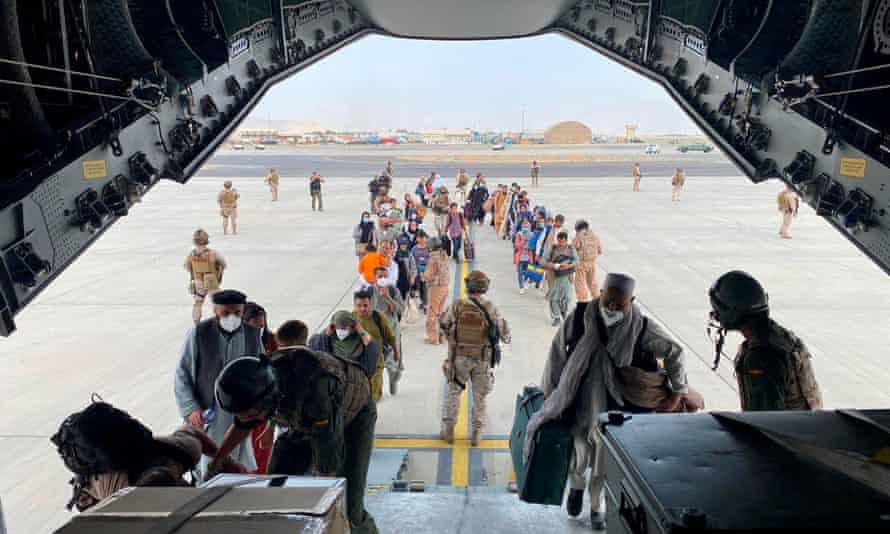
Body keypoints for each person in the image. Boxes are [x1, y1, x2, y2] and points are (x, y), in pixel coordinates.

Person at [526, 273, 688, 529]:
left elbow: (674, 352)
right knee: (578, 451)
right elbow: (557, 351)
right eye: (608, 300)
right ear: (600, 293)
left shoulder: (642, 328)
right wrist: (552, 391)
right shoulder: (580, 316)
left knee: (603, 458)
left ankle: (595, 506)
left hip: (616, 404)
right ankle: (576, 489)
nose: (612, 308)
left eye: (619, 304)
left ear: (632, 301)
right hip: (577, 397)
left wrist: (678, 391)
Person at [211, 330, 379, 533]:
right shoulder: (259, 380)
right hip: (305, 418)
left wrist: (325, 521)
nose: (245, 419)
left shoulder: (315, 393)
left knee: (348, 506)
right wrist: (217, 461)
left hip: (354, 415)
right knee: (275, 487)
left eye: (250, 414)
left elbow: (328, 468)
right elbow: (242, 424)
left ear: (267, 403)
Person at [174, 289, 261, 480]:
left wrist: (258, 404)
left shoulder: (253, 335)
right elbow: (182, 374)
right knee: (206, 467)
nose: (232, 318)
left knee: (237, 467)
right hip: (208, 414)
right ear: (215, 310)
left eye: (237, 313)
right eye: (226, 313)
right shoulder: (198, 334)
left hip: (240, 415)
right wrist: (191, 409)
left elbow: (261, 374)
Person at [709, 270, 822, 411]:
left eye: (716, 311)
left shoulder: (760, 357)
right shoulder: (781, 336)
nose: (714, 316)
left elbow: (764, 418)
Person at [439, 271, 511, 446]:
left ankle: (449, 431)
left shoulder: (458, 305)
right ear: (485, 287)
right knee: (480, 396)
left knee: (453, 392)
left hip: (460, 357)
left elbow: (444, 326)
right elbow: (505, 334)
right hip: (482, 359)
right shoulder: (491, 307)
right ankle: (477, 434)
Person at [243, 302, 277, 474]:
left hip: (264, 410)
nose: (259, 330)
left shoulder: (272, 341)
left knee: (261, 453)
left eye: (262, 326)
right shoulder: (236, 344)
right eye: (255, 326)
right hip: (242, 408)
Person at [353, 288, 399, 401]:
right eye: (359, 305)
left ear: (371, 304)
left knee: (373, 394)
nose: (362, 308)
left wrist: (396, 353)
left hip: (376, 360)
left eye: (365, 305)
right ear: (354, 305)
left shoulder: (378, 317)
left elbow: (390, 337)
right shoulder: (351, 317)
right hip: (358, 360)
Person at [310, 310, 379, 377]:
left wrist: (360, 330)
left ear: (352, 327)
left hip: (354, 380)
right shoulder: (327, 337)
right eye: (338, 328)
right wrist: (326, 335)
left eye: (344, 328)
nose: (340, 331)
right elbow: (319, 354)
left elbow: (371, 351)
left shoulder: (360, 340)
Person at [371, 267, 405, 395]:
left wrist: (388, 297)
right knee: (376, 364)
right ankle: (376, 391)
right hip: (375, 331)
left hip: (391, 330)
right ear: (374, 277)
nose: (383, 279)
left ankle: (393, 379)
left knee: (393, 362)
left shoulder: (393, 290)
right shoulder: (369, 292)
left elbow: (400, 309)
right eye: (380, 276)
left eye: (386, 276)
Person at [184, 229, 226, 323]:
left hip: (198, 280)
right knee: (216, 301)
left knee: (198, 302)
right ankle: (218, 321)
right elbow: (223, 264)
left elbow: (187, 267)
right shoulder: (212, 253)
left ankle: (196, 321)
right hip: (211, 279)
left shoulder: (191, 254)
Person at [543, 232, 577, 326]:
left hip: (567, 278)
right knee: (553, 299)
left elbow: (577, 261)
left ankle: (563, 312)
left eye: (563, 242)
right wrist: (555, 265)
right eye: (559, 241)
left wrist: (569, 265)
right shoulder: (552, 248)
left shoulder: (571, 249)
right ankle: (557, 317)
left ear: (566, 240)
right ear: (557, 240)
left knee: (567, 298)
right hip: (554, 277)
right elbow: (543, 261)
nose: (561, 244)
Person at [422, 237, 450, 344]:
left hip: (435, 287)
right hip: (445, 286)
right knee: (441, 312)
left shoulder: (432, 259)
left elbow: (428, 275)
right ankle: (442, 337)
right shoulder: (444, 255)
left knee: (432, 312)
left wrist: (423, 276)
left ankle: (433, 338)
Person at [572, 220, 603, 303]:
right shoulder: (594, 236)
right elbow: (600, 251)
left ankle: (583, 301)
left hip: (582, 263)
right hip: (592, 262)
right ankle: (597, 298)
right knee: (592, 282)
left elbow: (573, 250)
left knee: (579, 283)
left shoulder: (578, 237)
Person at [408, 231, 431, 312]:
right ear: (417, 238)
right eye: (419, 237)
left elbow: (431, 260)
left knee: (425, 288)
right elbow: (411, 261)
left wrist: (425, 272)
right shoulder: (414, 249)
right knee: (419, 288)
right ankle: (423, 302)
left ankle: (425, 305)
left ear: (426, 238)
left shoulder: (429, 248)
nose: (421, 239)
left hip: (427, 272)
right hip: (417, 272)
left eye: (423, 237)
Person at [513, 220, 535, 294]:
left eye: (527, 226)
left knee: (527, 272)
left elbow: (533, 247)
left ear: (530, 227)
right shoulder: (518, 234)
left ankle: (526, 281)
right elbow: (516, 246)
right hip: (520, 257)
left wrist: (529, 245)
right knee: (519, 272)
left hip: (528, 257)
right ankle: (521, 287)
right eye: (524, 226)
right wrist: (523, 240)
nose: (525, 228)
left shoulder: (532, 235)